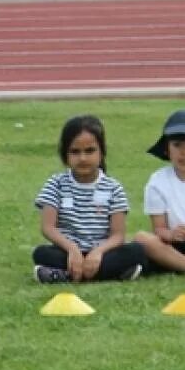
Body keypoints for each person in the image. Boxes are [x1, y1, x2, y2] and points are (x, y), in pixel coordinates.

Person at [31, 115, 145, 284]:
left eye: (90, 150)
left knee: (137, 251)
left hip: (103, 253)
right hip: (66, 251)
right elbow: (48, 227)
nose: (83, 158)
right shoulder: (56, 184)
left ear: (102, 152)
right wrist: (72, 249)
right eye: (75, 152)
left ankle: (65, 275)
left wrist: (98, 252)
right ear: (65, 155)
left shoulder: (113, 187)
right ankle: (111, 274)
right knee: (41, 253)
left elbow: (118, 235)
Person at [132, 109, 185, 275]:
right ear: (166, 149)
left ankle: (172, 266)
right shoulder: (157, 182)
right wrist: (172, 234)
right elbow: (159, 229)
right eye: (177, 145)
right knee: (142, 238)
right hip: (173, 247)